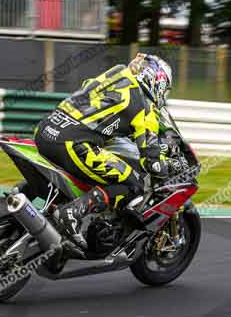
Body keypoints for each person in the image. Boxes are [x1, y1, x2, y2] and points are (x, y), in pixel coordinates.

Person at [35, 53, 179, 254]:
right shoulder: (143, 107)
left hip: (45, 130)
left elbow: (91, 92)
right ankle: (72, 213)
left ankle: (34, 198)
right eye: (165, 89)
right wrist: (168, 167)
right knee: (133, 184)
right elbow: (150, 160)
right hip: (73, 144)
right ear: (157, 81)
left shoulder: (115, 75)